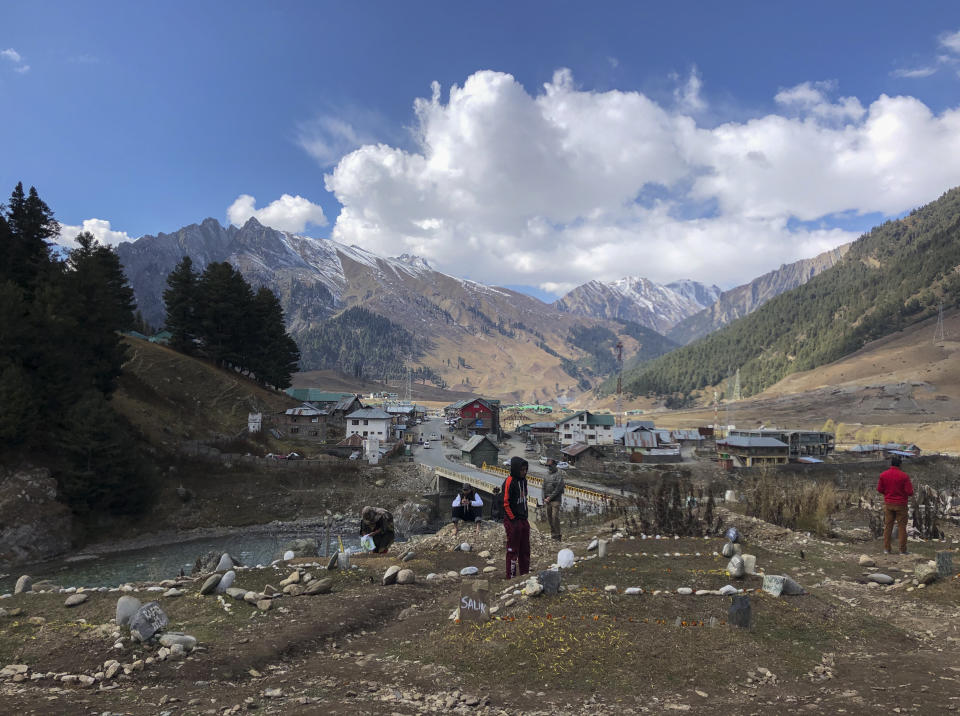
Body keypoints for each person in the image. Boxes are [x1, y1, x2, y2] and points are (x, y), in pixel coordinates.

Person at [877, 455, 914, 555]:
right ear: (900, 464)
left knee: (888, 526)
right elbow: (910, 492)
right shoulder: (904, 476)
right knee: (902, 527)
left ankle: (886, 549)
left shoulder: (883, 475)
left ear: (891, 464)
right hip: (901, 504)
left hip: (889, 504)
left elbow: (880, 489)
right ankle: (902, 550)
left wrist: (887, 494)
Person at [503, 456, 530, 579]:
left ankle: (524, 574)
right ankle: (511, 576)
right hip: (513, 521)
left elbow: (524, 500)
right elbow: (505, 503)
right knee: (512, 550)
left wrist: (525, 517)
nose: (524, 472)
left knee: (525, 549)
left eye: (525, 470)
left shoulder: (524, 481)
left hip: (523, 520)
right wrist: (513, 520)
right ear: (515, 469)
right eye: (522, 470)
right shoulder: (509, 481)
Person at [542, 465, 565, 541]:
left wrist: (550, 497)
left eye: (551, 466)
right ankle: (553, 535)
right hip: (547, 500)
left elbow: (558, 488)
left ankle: (558, 535)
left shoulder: (559, 476)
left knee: (555, 517)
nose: (549, 467)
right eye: (548, 466)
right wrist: (543, 497)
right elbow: (543, 487)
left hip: (555, 500)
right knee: (549, 518)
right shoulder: (546, 475)